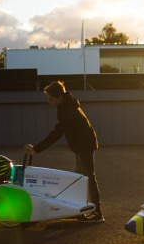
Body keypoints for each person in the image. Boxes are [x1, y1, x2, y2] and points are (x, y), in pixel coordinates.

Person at [23, 81, 104, 222]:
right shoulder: (65, 106)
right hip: (81, 145)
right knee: (79, 177)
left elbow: (56, 133)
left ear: (60, 97)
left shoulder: (68, 111)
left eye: (51, 99)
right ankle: (78, 210)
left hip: (85, 145)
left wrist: (36, 148)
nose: (49, 102)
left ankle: (97, 213)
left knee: (88, 177)